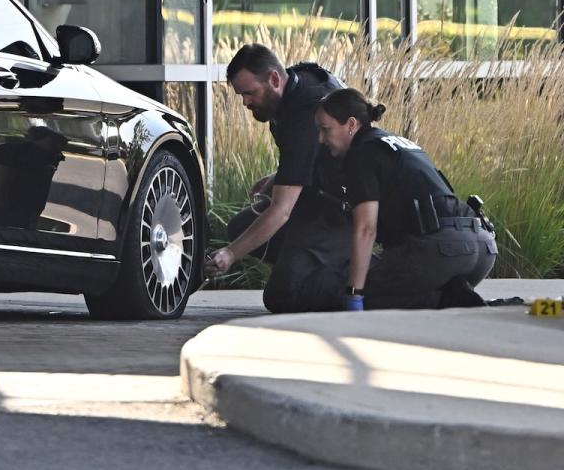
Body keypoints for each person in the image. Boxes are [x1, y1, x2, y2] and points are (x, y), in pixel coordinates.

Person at [314, 88, 497, 310]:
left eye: (325, 129)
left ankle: (448, 300)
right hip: (481, 247)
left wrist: (355, 294)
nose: (321, 139)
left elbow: (366, 229)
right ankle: (453, 293)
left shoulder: (361, 154)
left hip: (442, 251)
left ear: (351, 124)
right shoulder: (397, 142)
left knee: (342, 293)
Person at [205, 44, 351, 313]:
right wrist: (278, 176)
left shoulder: (306, 112)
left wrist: (230, 254)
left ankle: (355, 272)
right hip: (318, 200)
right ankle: (303, 263)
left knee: (282, 296)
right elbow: (316, 155)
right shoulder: (294, 84)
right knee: (242, 226)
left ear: (273, 79)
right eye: (241, 95)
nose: (245, 102)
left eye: (250, 93)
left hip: (341, 213)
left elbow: (281, 210)